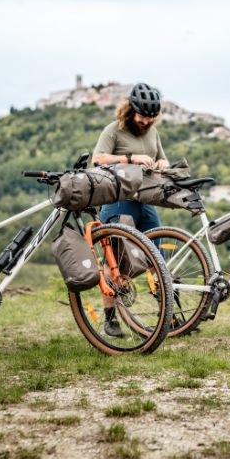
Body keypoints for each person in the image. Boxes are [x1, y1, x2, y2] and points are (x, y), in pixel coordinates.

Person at [92, 82, 168, 337]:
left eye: (151, 116)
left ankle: (167, 315)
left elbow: (163, 158)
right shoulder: (114, 130)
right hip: (117, 199)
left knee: (157, 256)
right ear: (131, 110)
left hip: (144, 200)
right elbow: (97, 160)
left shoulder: (152, 132)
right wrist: (129, 159)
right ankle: (110, 319)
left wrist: (161, 163)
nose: (147, 121)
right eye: (142, 115)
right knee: (115, 260)